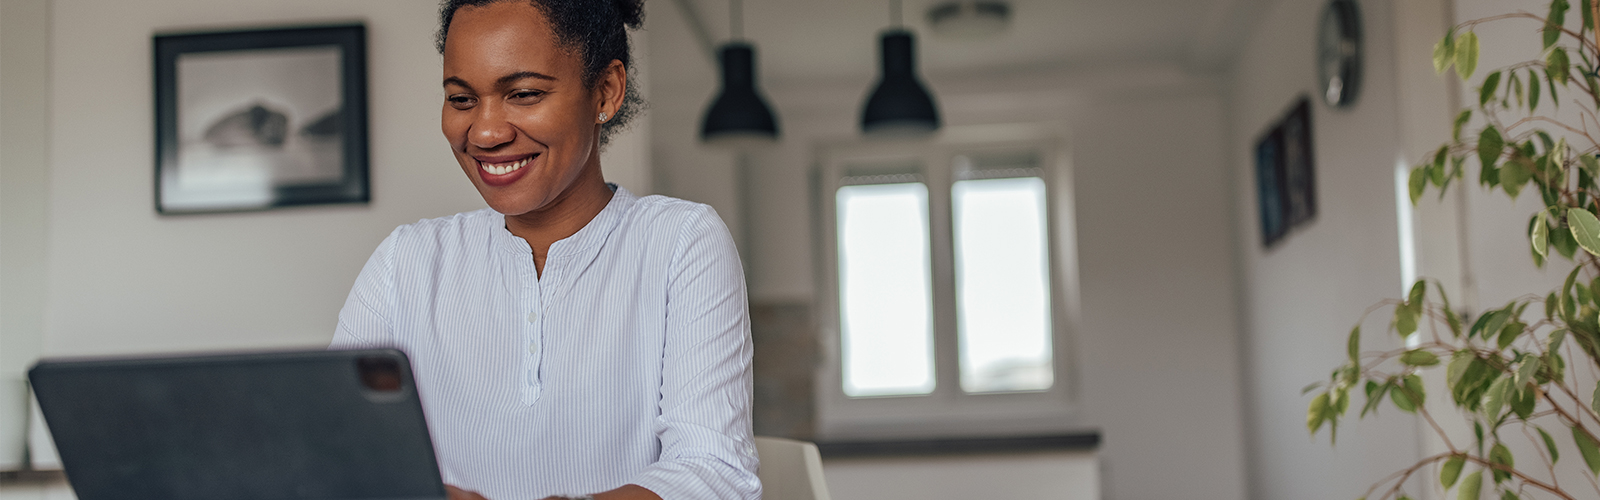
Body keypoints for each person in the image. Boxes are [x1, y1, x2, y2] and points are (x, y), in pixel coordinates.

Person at [329, 1, 761, 499]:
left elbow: (714, 471)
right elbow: (339, 452)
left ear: (606, 91)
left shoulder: (680, 243)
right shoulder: (406, 262)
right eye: (462, 100)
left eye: (525, 93)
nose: (487, 131)